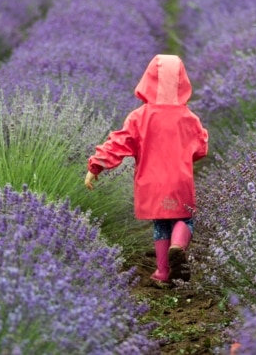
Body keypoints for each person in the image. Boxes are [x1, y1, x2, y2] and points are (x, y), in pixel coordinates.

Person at [85, 54, 209, 287]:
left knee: (160, 224)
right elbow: (201, 147)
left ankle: (162, 273)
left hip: (150, 184)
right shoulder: (188, 117)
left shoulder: (138, 117)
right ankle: (178, 247)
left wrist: (96, 165)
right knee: (184, 218)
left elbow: (118, 143)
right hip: (179, 181)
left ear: (149, 79)